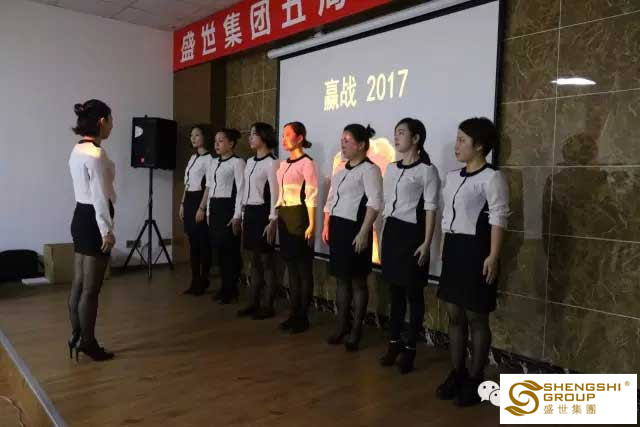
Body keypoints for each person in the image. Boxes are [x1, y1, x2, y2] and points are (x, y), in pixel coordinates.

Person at [435, 117, 509, 407]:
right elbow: (446, 217)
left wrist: (493, 255)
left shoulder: (492, 177)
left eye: (462, 140)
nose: (456, 145)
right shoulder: (453, 176)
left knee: (476, 316)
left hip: (477, 250)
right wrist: (443, 248)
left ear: (479, 146)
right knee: (454, 314)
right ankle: (457, 372)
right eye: (457, 139)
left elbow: (498, 218)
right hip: (454, 249)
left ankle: (476, 379)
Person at [379, 118, 440, 374]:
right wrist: (381, 233)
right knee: (395, 294)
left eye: (402, 133)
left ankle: (411, 349)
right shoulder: (391, 168)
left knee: (413, 294)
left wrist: (426, 242)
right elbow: (386, 204)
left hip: (413, 234)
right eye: (395, 133)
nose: (396, 137)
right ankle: (394, 343)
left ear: (416, 139)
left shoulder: (427, 170)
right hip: (392, 232)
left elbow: (430, 208)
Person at [322, 124, 383, 351]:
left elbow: (374, 203)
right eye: (342, 140)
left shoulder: (370, 170)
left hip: (356, 228)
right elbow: (331, 200)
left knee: (357, 280)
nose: (343, 144)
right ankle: (342, 325)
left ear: (361, 145)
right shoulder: (341, 168)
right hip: (338, 227)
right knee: (341, 279)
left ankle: (356, 329)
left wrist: (364, 232)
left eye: (347, 140)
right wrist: (326, 224)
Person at [68, 99, 116, 361]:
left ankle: (76, 336)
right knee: (91, 289)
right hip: (93, 220)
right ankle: (88, 342)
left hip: (80, 216)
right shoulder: (96, 154)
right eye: (111, 120)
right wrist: (106, 230)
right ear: (101, 121)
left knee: (79, 283)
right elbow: (100, 197)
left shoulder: (78, 149)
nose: (112, 126)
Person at [276, 122, 318, 334]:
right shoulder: (283, 164)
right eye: (282, 135)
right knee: (291, 268)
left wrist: (312, 224)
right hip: (285, 215)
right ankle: (294, 313)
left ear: (300, 138)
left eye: (288, 135)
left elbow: (311, 195)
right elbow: (280, 193)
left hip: (300, 215)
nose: (284, 139)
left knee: (303, 269)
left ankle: (303, 316)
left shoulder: (307, 163)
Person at [237, 122, 280, 320]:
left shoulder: (272, 162)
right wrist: (241, 214)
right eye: (250, 133)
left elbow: (275, 194)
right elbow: (245, 190)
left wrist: (272, 220)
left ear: (264, 136)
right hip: (250, 212)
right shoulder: (250, 161)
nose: (250, 137)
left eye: (254, 134)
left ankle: (268, 305)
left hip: (264, 213)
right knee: (254, 260)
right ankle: (253, 302)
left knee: (266, 260)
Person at [205, 128, 245, 304]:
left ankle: (231, 289)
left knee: (231, 251)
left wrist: (237, 215)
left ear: (231, 143)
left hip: (228, 207)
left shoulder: (237, 162)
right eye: (215, 141)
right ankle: (224, 287)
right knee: (219, 251)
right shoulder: (213, 162)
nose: (217, 144)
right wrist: (208, 211)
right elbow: (210, 187)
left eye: (221, 141)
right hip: (215, 208)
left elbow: (241, 189)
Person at [179, 125, 213, 296]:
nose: (193, 138)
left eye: (197, 135)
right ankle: (194, 280)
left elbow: (209, 185)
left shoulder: (210, 159)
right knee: (193, 243)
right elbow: (187, 183)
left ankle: (203, 280)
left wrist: (202, 207)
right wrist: (182, 203)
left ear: (204, 137)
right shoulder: (193, 157)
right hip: (189, 200)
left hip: (200, 200)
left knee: (203, 244)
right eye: (191, 135)